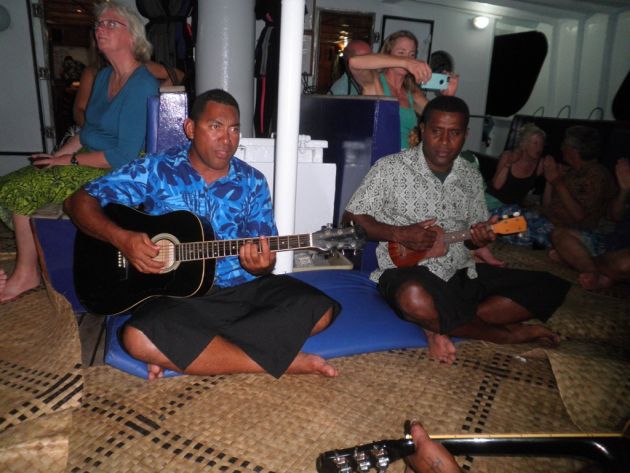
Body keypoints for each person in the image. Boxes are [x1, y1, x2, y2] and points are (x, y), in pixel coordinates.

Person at [64, 89, 340, 380]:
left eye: (234, 129)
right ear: (190, 128)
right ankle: (283, 361)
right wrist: (122, 239)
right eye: (215, 127)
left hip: (242, 291)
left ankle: (191, 352)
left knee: (319, 310)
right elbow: (77, 202)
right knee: (136, 338)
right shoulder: (155, 169)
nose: (227, 139)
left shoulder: (253, 182)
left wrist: (262, 265)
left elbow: (264, 253)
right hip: (178, 297)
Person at [344, 96, 570, 364]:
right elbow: (350, 220)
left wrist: (480, 240)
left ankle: (439, 322)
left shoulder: (471, 175)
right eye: (436, 131)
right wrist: (399, 233)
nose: (444, 141)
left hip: (460, 272)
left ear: (465, 135)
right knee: (413, 298)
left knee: (549, 286)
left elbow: (472, 238)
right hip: (407, 272)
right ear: (422, 129)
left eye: (454, 133)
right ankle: (504, 335)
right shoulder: (390, 169)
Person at [0, 1, 159, 303]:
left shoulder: (142, 84)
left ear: (132, 36)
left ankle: (26, 274)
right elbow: (87, 133)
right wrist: (58, 155)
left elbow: (122, 155)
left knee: (21, 191)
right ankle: (33, 262)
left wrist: (69, 160)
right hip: (89, 155)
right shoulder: (102, 77)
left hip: (118, 168)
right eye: (99, 24)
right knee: (10, 183)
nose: (101, 28)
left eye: (111, 23)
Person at [500, 126, 616, 250]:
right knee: (502, 213)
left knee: (506, 230)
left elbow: (579, 215)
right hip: (545, 219)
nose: (561, 148)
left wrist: (557, 181)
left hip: (565, 231)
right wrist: (550, 181)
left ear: (574, 150)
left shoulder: (596, 175)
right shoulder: (571, 171)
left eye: (564, 144)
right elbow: (548, 205)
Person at [349, 30, 459, 149]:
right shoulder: (375, 82)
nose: (408, 58)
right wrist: (405, 62)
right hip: (380, 159)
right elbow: (354, 62)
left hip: (406, 160)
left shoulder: (412, 92)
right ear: (388, 53)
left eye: (412, 55)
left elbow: (440, 120)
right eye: (401, 52)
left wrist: (448, 97)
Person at [550, 158, 630, 290]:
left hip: (623, 255)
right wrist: (624, 191)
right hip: (609, 243)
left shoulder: (596, 174)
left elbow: (580, 215)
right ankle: (592, 271)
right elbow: (615, 216)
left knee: (624, 264)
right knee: (559, 234)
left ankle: (574, 260)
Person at [485, 123, 548, 211]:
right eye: (535, 143)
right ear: (524, 144)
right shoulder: (508, 156)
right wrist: (508, 164)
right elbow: (497, 186)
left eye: (541, 144)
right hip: (492, 200)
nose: (539, 148)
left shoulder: (541, 164)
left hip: (513, 208)